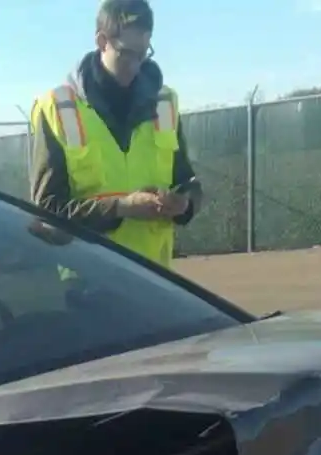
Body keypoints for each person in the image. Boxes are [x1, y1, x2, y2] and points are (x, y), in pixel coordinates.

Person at [29, 0, 203, 266]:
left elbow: (187, 181)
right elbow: (47, 214)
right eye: (127, 54)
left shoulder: (165, 103)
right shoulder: (57, 108)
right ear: (102, 41)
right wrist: (122, 208)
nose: (136, 65)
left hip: (157, 281)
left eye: (144, 53)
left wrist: (184, 204)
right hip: (87, 285)